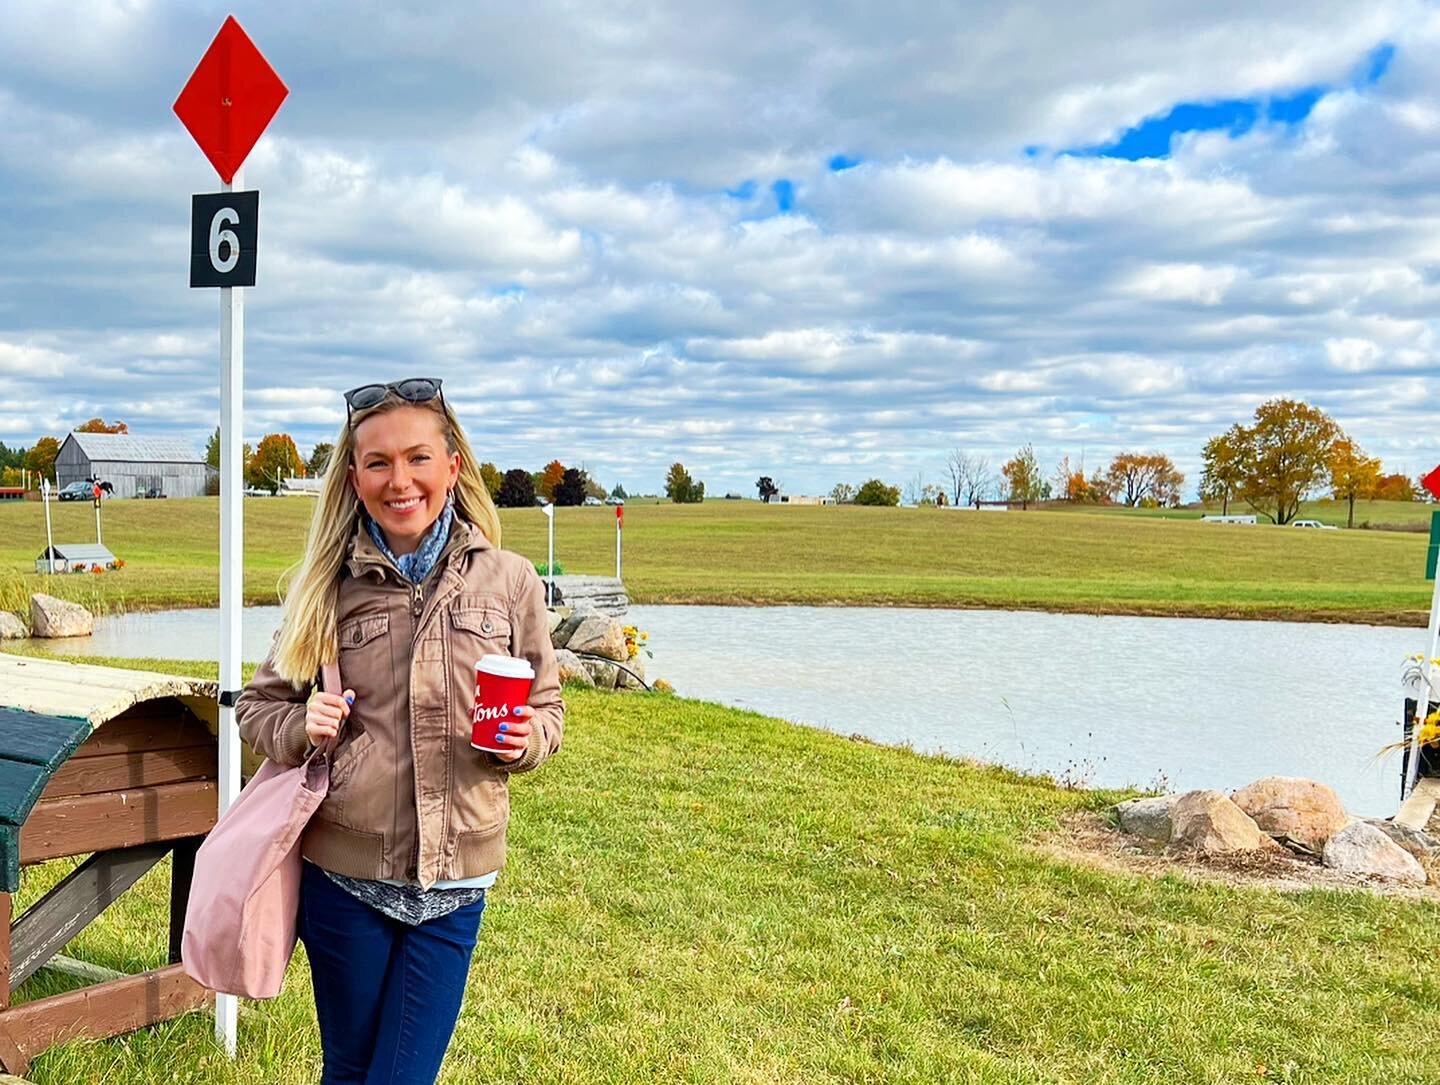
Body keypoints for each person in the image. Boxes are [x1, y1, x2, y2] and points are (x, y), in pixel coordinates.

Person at [236, 377, 563, 1084]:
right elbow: (256, 708)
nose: (399, 479)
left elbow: (549, 709)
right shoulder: (326, 588)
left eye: (418, 457)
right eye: (377, 462)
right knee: (350, 1069)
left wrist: (525, 740)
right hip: (344, 880)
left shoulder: (510, 582)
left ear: (452, 465)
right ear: (354, 478)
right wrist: (301, 724)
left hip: (456, 881)